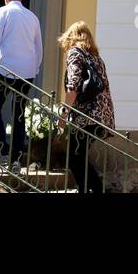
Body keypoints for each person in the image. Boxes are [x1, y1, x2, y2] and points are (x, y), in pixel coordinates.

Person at [0, 0, 42, 163]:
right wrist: (35, 69)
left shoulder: (3, 12)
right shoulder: (32, 17)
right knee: (19, 114)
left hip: (6, 69)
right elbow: (38, 48)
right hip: (27, 72)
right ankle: (14, 159)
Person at [58, 20, 115, 193]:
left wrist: (64, 112)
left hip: (87, 116)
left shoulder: (76, 53)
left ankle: (97, 189)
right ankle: (84, 189)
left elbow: (73, 84)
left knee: (74, 157)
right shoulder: (97, 58)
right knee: (79, 155)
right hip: (102, 117)